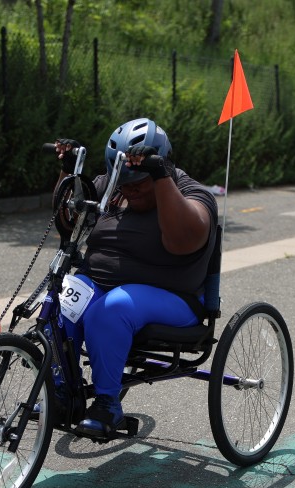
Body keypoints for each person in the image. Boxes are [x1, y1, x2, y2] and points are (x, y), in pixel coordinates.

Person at [53, 118, 218, 438]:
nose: (128, 191)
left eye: (138, 184)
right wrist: (70, 172)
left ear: (163, 165)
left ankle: (107, 405)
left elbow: (183, 240)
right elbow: (67, 221)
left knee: (110, 310)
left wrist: (161, 178)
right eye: (123, 184)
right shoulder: (110, 184)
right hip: (99, 283)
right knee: (59, 304)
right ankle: (61, 394)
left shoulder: (193, 192)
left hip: (173, 297)